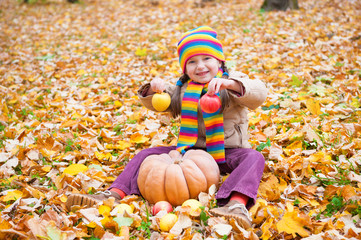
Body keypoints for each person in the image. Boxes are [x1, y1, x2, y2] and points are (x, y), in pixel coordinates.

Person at [66, 26, 267, 229]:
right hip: (190, 155)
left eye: (207, 59)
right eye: (192, 62)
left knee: (254, 157)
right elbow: (157, 102)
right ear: (184, 68)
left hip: (228, 152)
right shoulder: (183, 90)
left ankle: (235, 204)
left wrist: (231, 84)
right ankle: (113, 194)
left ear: (219, 61)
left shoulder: (232, 84)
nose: (200, 66)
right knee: (147, 154)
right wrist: (153, 89)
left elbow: (258, 94)